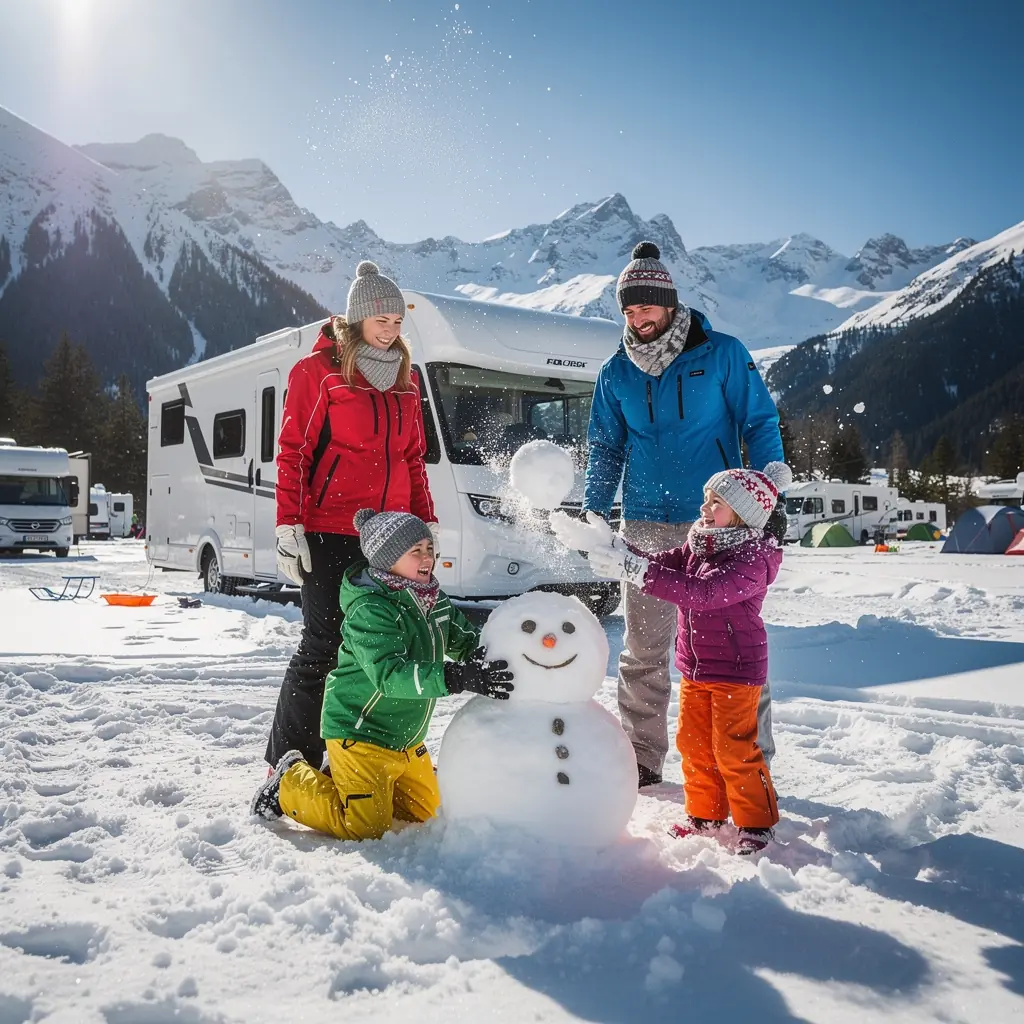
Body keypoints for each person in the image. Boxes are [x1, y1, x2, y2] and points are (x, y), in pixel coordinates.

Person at [584, 240, 785, 788]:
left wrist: (770, 484)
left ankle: (749, 762)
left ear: (669, 304)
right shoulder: (615, 371)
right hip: (645, 520)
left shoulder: (722, 353)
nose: (637, 318)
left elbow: (760, 422)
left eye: (645, 307)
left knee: (733, 645)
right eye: (627, 310)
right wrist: (594, 510)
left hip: (720, 525)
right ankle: (640, 763)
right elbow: (604, 445)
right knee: (644, 651)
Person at [265, 261, 441, 771]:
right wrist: (288, 525)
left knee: (377, 644)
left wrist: (424, 527)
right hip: (327, 528)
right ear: (357, 319)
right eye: (381, 319)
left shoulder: (406, 382)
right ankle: (290, 761)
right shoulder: (318, 371)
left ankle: (353, 750)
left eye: (397, 320)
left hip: (389, 537)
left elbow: (413, 459)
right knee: (323, 642)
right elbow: (293, 450)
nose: (391, 330)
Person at [251, 509, 514, 839]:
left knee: (432, 814)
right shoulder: (370, 609)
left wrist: (501, 655)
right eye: (414, 551)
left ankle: (348, 780)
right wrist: (456, 677)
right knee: (365, 826)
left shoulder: (433, 599)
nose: (427, 557)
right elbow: (390, 675)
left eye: (429, 548)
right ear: (387, 559)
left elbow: (465, 641)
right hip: (361, 732)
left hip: (405, 740)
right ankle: (289, 782)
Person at [584, 462, 791, 854]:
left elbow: (703, 594)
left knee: (735, 749)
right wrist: (620, 551)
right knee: (695, 743)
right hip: (696, 668)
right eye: (706, 499)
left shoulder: (752, 560)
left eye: (717, 503)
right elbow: (663, 563)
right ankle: (705, 814)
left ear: (744, 515)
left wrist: (640, 573)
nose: (705, 508)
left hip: (736, 671)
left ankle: (757, 823)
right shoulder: (701, 542)